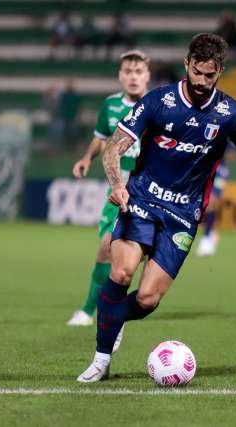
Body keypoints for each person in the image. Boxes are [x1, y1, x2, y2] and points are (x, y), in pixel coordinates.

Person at [77, 33, 236, 382]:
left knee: (148, 298)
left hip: (183, 215)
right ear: (187, 64)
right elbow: (113, 147)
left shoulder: (231, 112)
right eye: (197, 72)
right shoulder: (158, 101)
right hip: (142, 199)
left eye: (209, 76)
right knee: (122, 271)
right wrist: (118, 186)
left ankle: (113, 318)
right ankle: (101, 357)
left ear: (220, 72)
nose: (201, 82)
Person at [67, 50, 151, 328]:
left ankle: (124, 308)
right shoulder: (111, 105)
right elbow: (100, 138)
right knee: (105, 250)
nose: (133, 76)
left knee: (142, 257)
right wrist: (85, 158)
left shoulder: (159, 104)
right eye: (128, 71)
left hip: (150, 189)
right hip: (118, 189)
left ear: (147, 76)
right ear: (120, 76)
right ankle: (92, 309)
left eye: (138, 71)